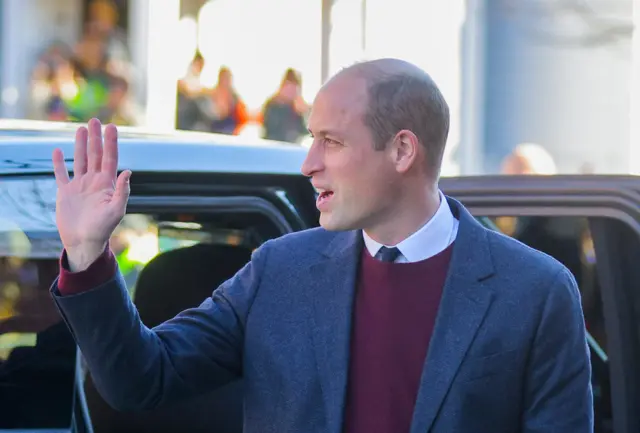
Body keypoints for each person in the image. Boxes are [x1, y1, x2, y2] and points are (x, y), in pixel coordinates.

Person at [49, 58, 593, 432]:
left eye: (330, 141)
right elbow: (140, 379)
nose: (309, 164)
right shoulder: (279, 270)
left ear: (403, 149)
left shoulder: (536, 291)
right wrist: (86, 255)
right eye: (311, 139)